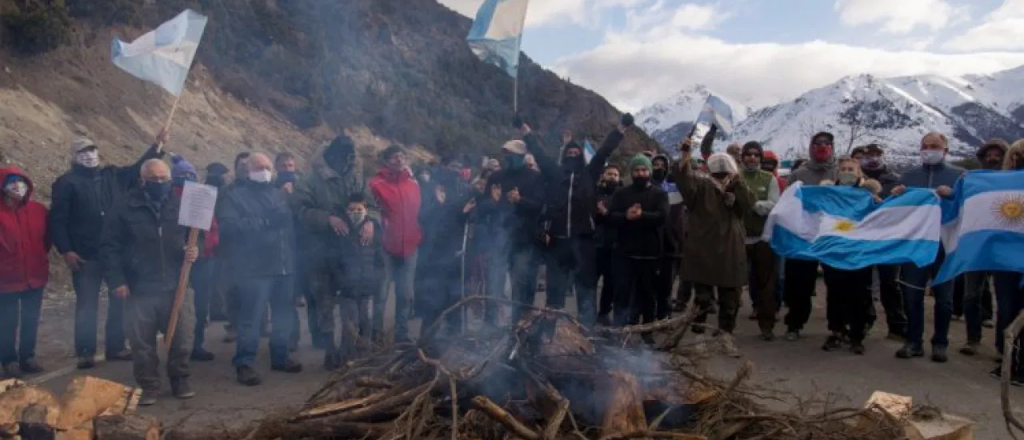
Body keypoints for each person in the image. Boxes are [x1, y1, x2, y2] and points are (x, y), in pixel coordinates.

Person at [50, 132, 167, 369]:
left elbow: (137, 169)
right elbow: (58, 220)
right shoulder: (66, 183)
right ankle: (85, 351)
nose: (89, 155)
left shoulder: (112, 175)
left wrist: (156, 147)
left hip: (115, 253)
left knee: (119, 301)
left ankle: (116, 346)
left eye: (92, 150)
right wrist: (66, 250)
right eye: (83, 152)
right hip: (85, 254)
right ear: (74, 157)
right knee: (86, 304)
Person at [99, 158, 198, 405]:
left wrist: (195, 250)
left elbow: (197, 237)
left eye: (164, 178)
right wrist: (117, 280)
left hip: (176, 284)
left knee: (181, 337)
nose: (159, 183)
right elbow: (109, 247)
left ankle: (180, 379)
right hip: (139, 286)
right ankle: (149, 385)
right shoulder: (124, 208)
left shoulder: (181, 206)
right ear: (142, 180)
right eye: (153, 179)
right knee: (141, 342)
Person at [523, 123, 625, 325]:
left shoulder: (590, 173)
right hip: (557, 242)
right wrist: (526, 133)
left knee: (586, 290)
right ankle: (550, 332)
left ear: (581, 156)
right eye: (569, 151)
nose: (572, 154)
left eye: (576, 152)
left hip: (584, 242)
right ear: (565, 155)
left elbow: (604, 151)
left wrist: (620, 130)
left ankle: (586, 333)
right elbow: (539, 154)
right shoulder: (555, 173)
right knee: (555, 291)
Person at [218, 153, 302, 386]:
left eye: (267, 167)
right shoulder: (235, 197)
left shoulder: (279, 195)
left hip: (284, 266)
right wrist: (264, 222)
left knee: (283, 316)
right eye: (259, 167)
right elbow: (229, 227)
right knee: (251, 319)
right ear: (247, 171)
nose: (264, 170)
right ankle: (244, 363)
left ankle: (281, 356)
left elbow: (291, 227)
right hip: (254, 268)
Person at [292, 136, 376, 349]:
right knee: (323, 301)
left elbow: (371, 204)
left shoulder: (356, 177)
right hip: (318, 250)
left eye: (351, 157)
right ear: (332, 156)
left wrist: (370, 221)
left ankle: (351, 346)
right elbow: (299, 210)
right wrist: (327, 218)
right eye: (344, 157)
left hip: (349, 252)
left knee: (352, 300)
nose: (348, 162)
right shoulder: (310, 180)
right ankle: (326, 346)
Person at [890, 132, 965, 362]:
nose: (929, 149)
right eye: (925, 146)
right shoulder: (909, 176)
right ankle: (913, 341)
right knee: (912, 295)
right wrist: (897, 196)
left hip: (945, 245)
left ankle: (940, 343)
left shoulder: (959, 176)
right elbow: (898, 210)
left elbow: (968, 206)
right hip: (916, 244)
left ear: (946, 150)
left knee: (943, 298)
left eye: (934, 146)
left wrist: (952, 195)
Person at [674, 147, 751, 357]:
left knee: (730, 298)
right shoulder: (701, 185)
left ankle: (726, 336)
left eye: (727, 170)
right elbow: (683, 180)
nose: (723, 173)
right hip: (703, 247)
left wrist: (736, 188)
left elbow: (747, 205)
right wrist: (685, 156)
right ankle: (699, 337)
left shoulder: (736, 186)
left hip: (730, 248)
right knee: (702, 297)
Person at [782, 132, 839, 341]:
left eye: (826, 144)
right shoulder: (799, 174)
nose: (822, 147)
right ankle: (795, 324)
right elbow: (788, 202)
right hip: (804, 236)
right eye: (818, 144)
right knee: (800, 283)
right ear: (811, 147)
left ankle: (837, 326)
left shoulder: (841, 172)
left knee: (836, 283)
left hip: (833, 235)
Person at [818, 159, 878, 355]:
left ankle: (857, 335)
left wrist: (878, 203)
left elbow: (878, 219)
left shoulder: (867, 194)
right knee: (835, 294)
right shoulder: (829, 194)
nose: (846, 172)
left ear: (859, 172)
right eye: (843, 169)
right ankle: (836, 331)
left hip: (858, 254)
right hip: (834, 252)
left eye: (850, 169)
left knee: (859, 295)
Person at [487, 130, 546, 325]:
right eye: (506, 155)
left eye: (511, 155)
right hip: (499, 238)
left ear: (521, 156)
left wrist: (521, 200)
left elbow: (539, 206)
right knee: (494, 282)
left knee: (521, 282)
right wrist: (493, 202)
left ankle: (519, 324)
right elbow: (482, 206)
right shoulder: (496, 176)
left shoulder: (534, 178)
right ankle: (491, 324)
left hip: (524, 240)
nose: (507, 158)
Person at [607, 154, 668, 338]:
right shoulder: (621, 194)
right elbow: (610, 217)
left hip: (650, 254)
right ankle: (619, 331)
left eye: (644, 170)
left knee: (648, 296)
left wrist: (642, 216)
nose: (641, 173)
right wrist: (626, 216)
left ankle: (647, 333)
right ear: (631, 172)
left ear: (649, 171)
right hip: (624, 254)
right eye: (637, 170)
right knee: (621, 294)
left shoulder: (659, 194)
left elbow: (662, 217)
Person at [0, 166, 50, 378]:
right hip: (6, 278)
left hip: (34, 275)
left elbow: (46, 239)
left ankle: (27, 357)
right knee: (7, 321)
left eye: (21, 182)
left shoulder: (38, 210)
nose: (17, 187)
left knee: (31, 319)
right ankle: (8, 360)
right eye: (12, 182)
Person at [323, 194, 382, 370]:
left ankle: (365, 357)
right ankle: (347, 357)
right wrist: (340, 282)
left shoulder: (373, 230)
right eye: (351, 210)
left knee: (367, 322)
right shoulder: (339, 232)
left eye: (359, 209)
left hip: (367, 287)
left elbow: (380, 260)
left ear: (366, 211)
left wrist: (376, 280)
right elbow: (333, 261)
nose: (355, 212)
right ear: (346, 212)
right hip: (347, 288)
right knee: (350, 324)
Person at [958, 139, 1006, 356]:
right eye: (988, 155)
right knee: (971, 295)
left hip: (1003, 247)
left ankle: (1003, 345)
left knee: (1005, 297)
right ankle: (972, 338)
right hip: (975, 245)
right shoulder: (972, 180)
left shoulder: (1014, 181)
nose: (992, 158)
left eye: (997, 155)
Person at [369, 145, 421, 342]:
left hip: (410, 245)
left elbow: (418, 211)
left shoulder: (413, 184)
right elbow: (371, 212)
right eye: (394, 157)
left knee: (406, 293)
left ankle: (402, 334)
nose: (399, 160)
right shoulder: (376, 184)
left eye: (402, 156)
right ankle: (376, 335)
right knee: (381, 293)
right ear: (386, 161)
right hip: (386, 247)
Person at [168, 156, 216, 362]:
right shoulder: (167, 199)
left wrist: (201, 248)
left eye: (190, 174)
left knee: (200, 305)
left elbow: (211, 231)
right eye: (182, 175)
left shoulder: (200, 198)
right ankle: (177, 344)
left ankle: (196, 344)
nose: (186, 178)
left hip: (201, 260)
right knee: (177, 304)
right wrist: (180, 248)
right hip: (174, 262)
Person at [857, 143, 907, 341]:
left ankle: (897, 325)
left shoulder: (893, 180)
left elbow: (902, 207)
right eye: (869, 154)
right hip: (862, 238)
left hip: (887, 238)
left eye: (877, 154)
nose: (873, 158)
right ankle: (864, 322)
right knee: (863, 284)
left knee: (890, 283)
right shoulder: (854, 179)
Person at [417, 170, 475, 336]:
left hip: (453, 263)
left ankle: (453, 340)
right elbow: (426, 221)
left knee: (454, 302)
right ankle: (426, 341)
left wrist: (465, 213)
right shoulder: (430, 206)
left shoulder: (456, 206)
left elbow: (461, 223)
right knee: (432, 304)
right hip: (433, 265)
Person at [737, 142, 780, 341]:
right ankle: (727, 328)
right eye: (748, 155)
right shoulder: (735, 178)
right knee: (733, 282)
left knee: (766, 283)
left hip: (763, 237)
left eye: (756, 155)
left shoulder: (768, 178)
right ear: (742, 157)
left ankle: (767, 325)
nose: (752, 158)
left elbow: (774, 205)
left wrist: (755, 205)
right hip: (738, 237)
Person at [991, 140, 1024, 381]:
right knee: (1006, 311)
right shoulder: (997, 185)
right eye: (1015, 155)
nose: (1018, 159)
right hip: (1004, 261)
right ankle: (1008, 361)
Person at [651, 152, 686, 322]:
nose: (659, 167)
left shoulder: (677, 187)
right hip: (651, 242)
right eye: (655, 164)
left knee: (667, 284)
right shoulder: (647, 187)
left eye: (661, 164)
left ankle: (664, 315)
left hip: (672, 242)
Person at [595, 164, 622, 325]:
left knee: (610, 282)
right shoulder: (595, 193)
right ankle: (587, 312)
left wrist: (607, 214)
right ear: (603, 176)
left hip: (614, 245)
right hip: (596, 244)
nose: (612, 176)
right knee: (590, 281)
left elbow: (623, 217)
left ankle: (604, 312)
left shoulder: (623, 195)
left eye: (615, 174)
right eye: (609, 173)